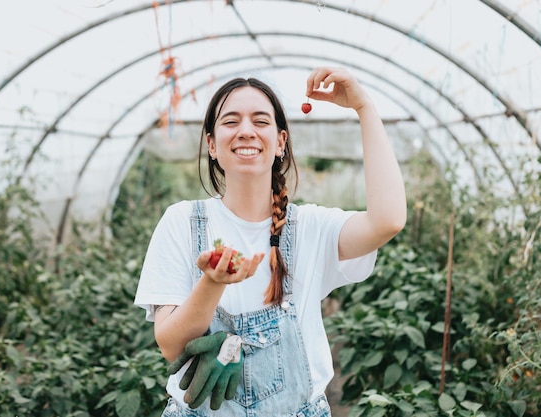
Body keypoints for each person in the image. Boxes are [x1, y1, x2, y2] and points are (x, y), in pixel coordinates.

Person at [134, 66, 407, 416]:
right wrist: (212, 282)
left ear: (280, 142)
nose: (246, 131)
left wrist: (364, 107)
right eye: (231, 121)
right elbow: (172, 346)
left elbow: (388, 220)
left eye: (260, 121)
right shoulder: (182, 222)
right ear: (212, 145)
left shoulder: (310, 227)